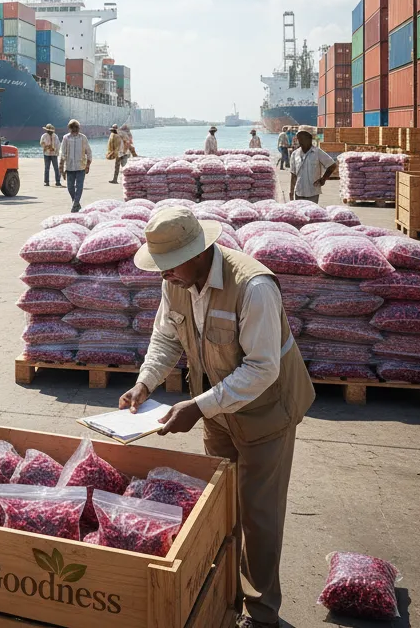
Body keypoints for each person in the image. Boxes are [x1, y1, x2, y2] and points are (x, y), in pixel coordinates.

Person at [118, 207, 314, 628]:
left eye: (169, 266)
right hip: (217, 410)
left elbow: (263, 369)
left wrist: (199, 407)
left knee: (258, 514)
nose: (163, 275)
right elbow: (166, 335)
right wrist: (146, 383)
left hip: (266, 411)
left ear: (198, 252)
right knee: (219, 506)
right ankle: (223, 593)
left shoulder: (254, 287)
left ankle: (262, 614)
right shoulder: (176, 281)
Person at [289, 130, 336, 204]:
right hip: (299, 192)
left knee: (312, 214)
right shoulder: (295, 154)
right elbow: (293, 174)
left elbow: (332, 165)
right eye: (299, 138)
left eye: (302, 138)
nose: (300, 141)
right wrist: (291, 192)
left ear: (309, 139)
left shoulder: (317, 152)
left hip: (312, 192)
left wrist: (323, 179)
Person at [58, 118, 93, 212]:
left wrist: (88, 164)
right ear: (69, 128)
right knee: (70, 187)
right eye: (72, 127)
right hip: (69, 167)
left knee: (79, 186)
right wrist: (61, 166)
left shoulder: (83, 138)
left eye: (76, 127)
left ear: (79, 128)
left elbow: (89, 151)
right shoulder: (66, 138)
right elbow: (62, 152)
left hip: (81, 166)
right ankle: (76, 202)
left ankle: (75, 205)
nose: (74, 129)